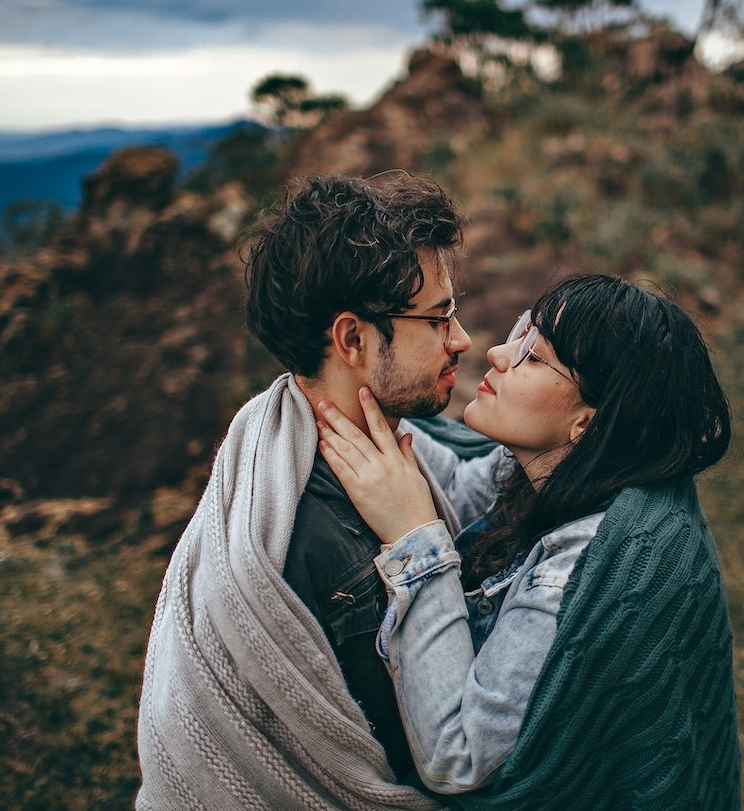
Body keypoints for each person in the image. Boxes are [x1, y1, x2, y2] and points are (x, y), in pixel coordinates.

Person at [135, 172, 504, 810]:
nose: (462, 340)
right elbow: (434, 754)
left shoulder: (350, 440)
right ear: (353, 339)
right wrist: (419, 540)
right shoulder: (329, 543)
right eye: (438, 317)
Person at [317, 274, 741, 809]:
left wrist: (412, 536)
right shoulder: (556, 471)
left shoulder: (581, 569)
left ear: (588, 421)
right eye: (519, 336)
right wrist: (342, 384)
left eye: (533, 357)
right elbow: (450, 484)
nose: (496, 353)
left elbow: (460, 755)